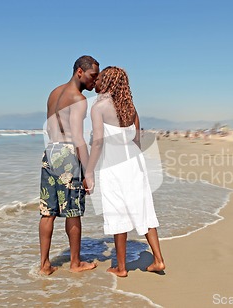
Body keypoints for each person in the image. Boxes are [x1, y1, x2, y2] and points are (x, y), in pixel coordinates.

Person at [84, 66, 165, 277]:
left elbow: (98, 143)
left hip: (114, 166)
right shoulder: (131, 107)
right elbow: (137, 140)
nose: (97, 81)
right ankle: (158, 259)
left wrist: (89, 172)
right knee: (144, 211)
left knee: (118, 213)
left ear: (108, 82)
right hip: (135, 164)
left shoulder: (98, 107)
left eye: (100, 78)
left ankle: (121, 267)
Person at [38, 55, 99, 275]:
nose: (95, 81)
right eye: (93, 76)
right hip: (67, 155)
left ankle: (44, 264)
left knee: (48, 212)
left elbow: (48, 128)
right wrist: (89, 172)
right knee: (73, 212)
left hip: (50, 152)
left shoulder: (54, 93)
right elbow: (78, 138)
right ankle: (75, 263)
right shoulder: (79, 99)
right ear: (79, 72)